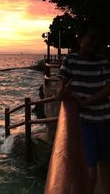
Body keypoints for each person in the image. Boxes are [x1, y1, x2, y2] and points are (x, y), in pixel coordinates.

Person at [57, 20, 110, 193]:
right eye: (92, 38)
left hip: (105, 120)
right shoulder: (71, 60)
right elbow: (61, 89)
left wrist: (87, 102)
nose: (96, 42)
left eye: (99, 39)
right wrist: (61, 94)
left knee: (106, 165)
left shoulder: (104, 61)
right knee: (90, 171)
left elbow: (108, 88)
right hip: (85, 123)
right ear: (80, 39)